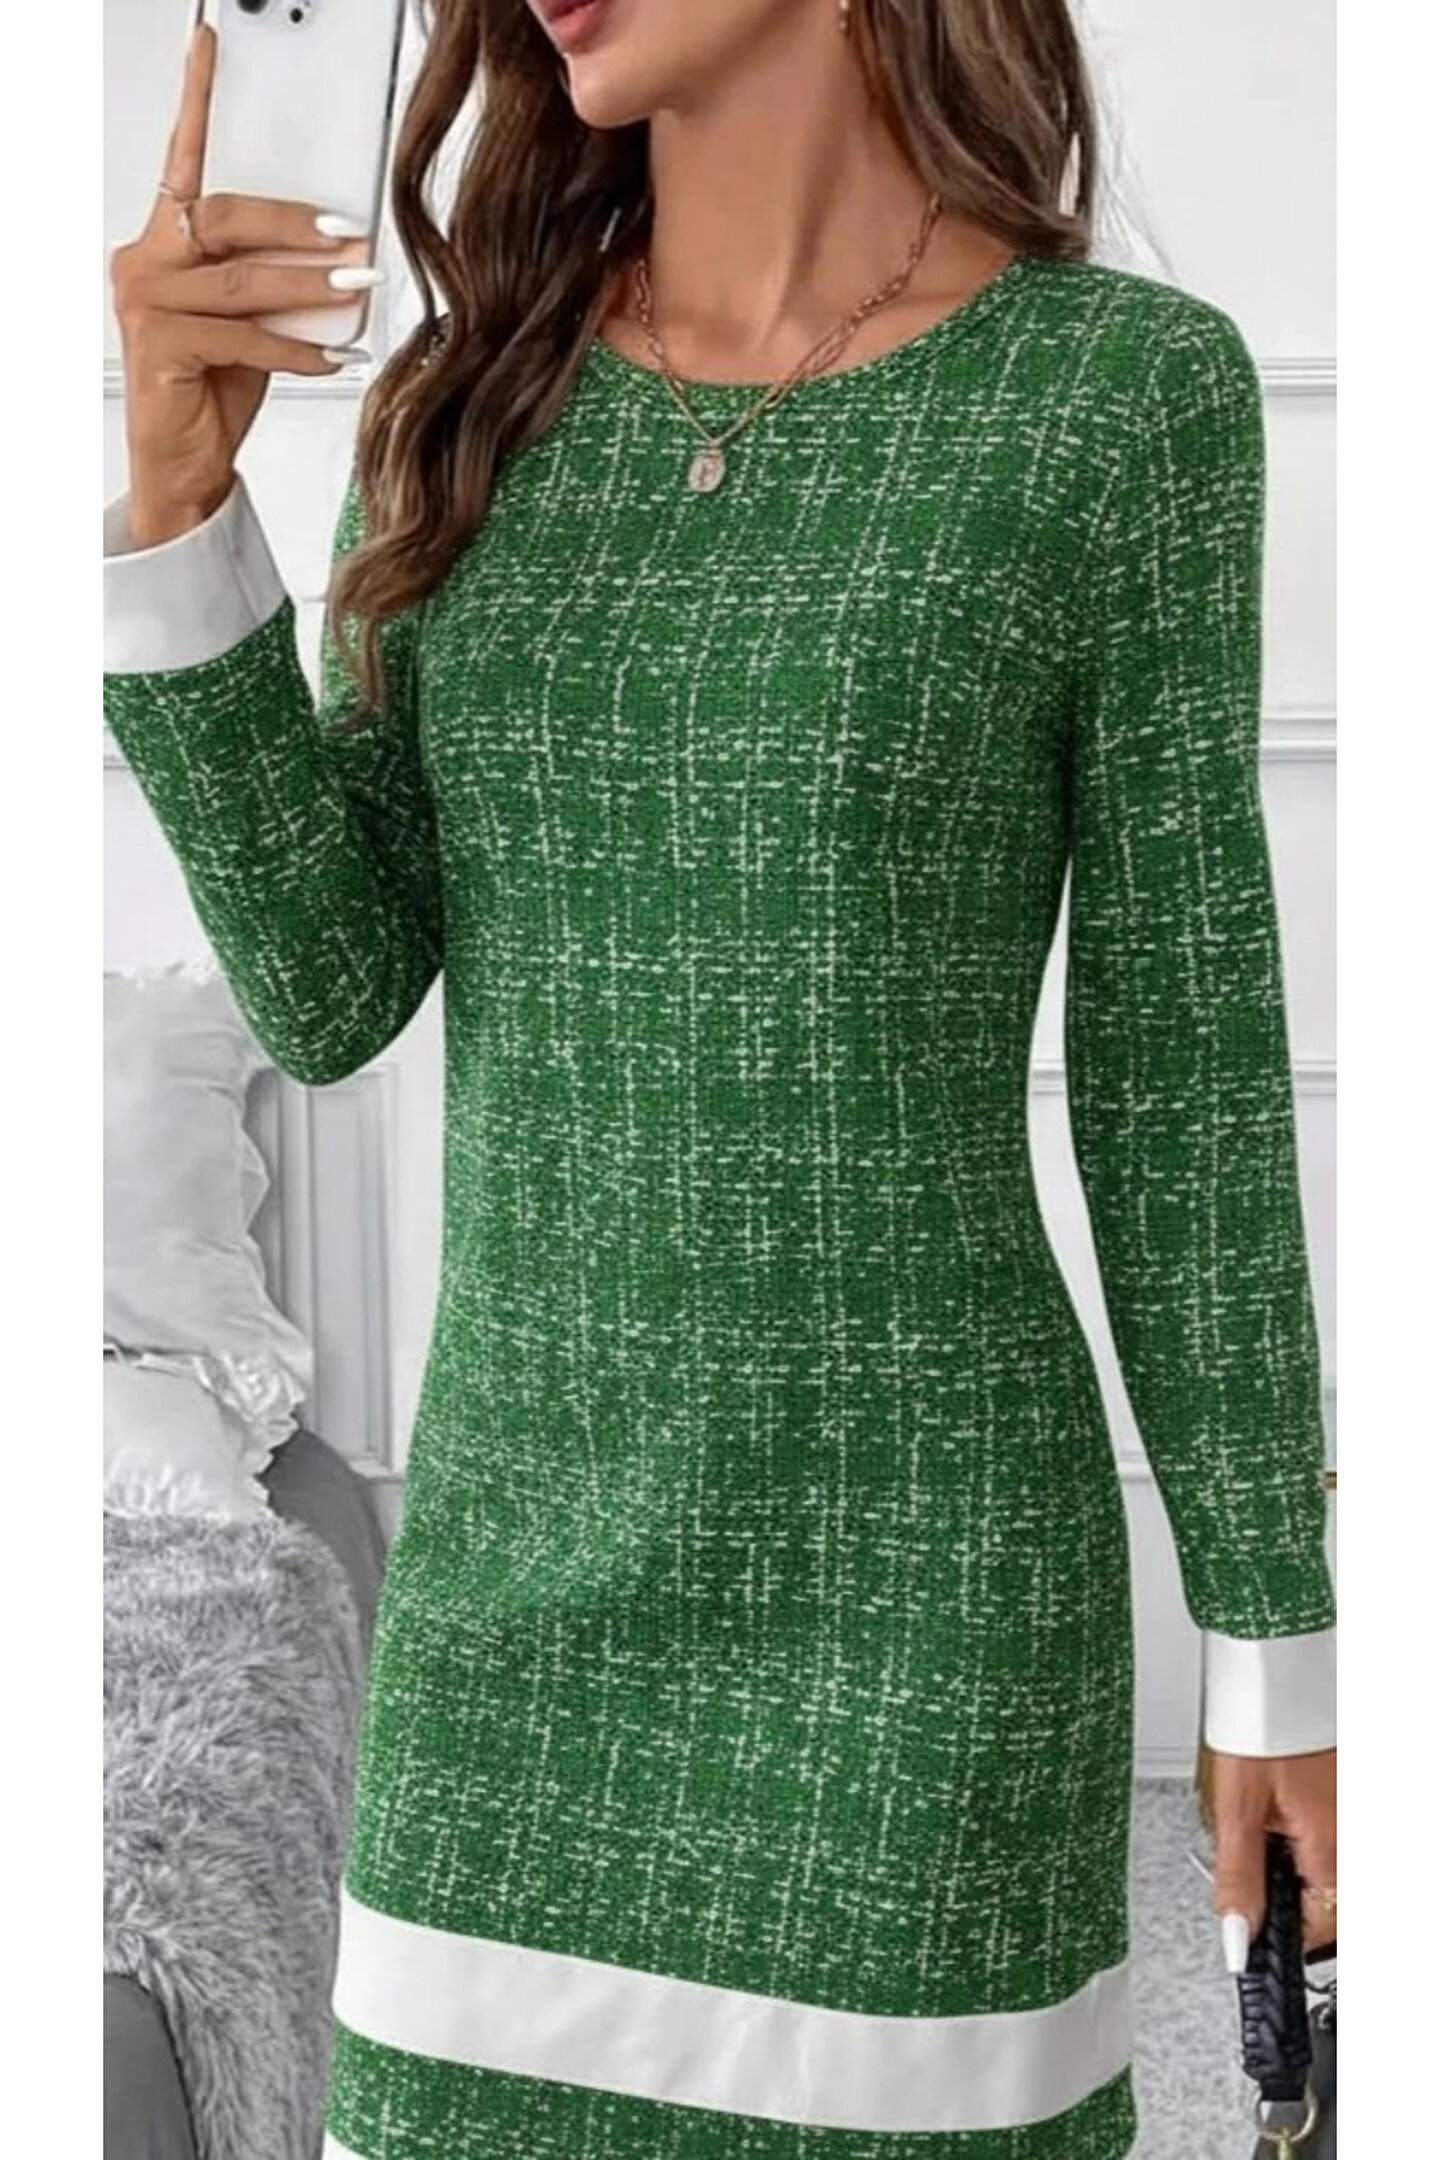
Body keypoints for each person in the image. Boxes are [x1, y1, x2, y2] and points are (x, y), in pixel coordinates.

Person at [102, 3, 1338, 2155]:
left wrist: (1275, 1655)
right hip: (511, 1599)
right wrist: (182, 506)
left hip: (924, 1615)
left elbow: (1183, 1075)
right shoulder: (463, 402)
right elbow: (328, 989)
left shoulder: (1115, 403)